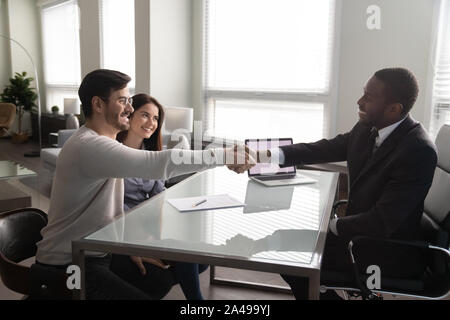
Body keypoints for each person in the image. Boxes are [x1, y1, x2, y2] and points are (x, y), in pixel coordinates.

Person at [35, 69, 254, 300]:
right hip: (69, 265)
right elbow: (159, 163)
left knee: (160, 278)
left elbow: (115, 209)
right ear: (98, 104)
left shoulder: (103, 143)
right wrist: (224, 155)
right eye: (122, 101)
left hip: (98, 252)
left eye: (129, 101)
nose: (129, 108)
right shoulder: (89, 146)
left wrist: (130, 246)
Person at [256, 67, 438, 299]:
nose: (359, 101)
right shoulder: (368, 127)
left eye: (368, 98)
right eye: (363, 93)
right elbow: (323, 149)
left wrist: (331, 227)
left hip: (388, 251)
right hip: (361, 237)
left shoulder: (417, 150)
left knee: (290, 255)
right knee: (282, 243)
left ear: (394, 109)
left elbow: (382, 222)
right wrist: (268, 155)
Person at [115, 93, 208, 300]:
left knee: (200, 258)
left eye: (156, 118)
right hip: (123, 228)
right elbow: (112, 207)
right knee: (185, 256)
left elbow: (159, 196)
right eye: (145, 115)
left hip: (149, 224)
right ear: (129, 115)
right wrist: (134, 242)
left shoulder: (153, 154)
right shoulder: (113, 153)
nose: (151, 123)